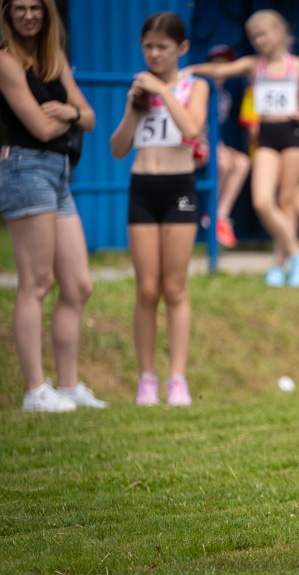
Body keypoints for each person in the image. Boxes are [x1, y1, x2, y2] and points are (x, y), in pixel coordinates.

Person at [0, 0, 105, 411]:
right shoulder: (6, 62)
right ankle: (33, 390)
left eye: (36, 8)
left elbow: (91, 117)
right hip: (25, 170)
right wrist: (71, 115)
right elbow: (40, 127)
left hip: (59, 174)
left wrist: (69, 110)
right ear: (7, 14)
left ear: (48, 13)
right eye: (19, 8)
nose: (28, 15)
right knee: (36, 282)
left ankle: (68, 386)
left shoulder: (53, 58)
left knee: (79, 285)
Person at [109, 11, 209, 406]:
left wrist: (164, 92)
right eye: (148, 46)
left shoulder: (193, 85)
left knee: (174, 286)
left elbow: (192, 129)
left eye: (162, 47)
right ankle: (146, 377)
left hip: (179, 187)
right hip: (142, 187)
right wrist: (136, 105)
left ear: (181, 49)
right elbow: (118, 149)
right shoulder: (139, 89)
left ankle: (177, 378)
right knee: (147, 288)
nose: (154, 54)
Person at [185, 10, 299, 288]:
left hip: (291, 135)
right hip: (266, 138)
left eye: (264, 33)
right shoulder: (252, 65)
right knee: (262, 200)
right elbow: (220, 70)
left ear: (280, 32)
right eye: (254, 36)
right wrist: (190, 70)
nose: (260, 40)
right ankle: (298, 253)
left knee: (286, 202)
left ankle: (278, 266)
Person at [203, 44, 250, 249]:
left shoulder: (225, 97)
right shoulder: (200, 89)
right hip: (190, 146)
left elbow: (213, 127)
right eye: (216, 65)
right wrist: (211, 146)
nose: (220, 70)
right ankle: (209, 212)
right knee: (221, 162)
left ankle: (220, 217)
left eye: (225, 65)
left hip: (211, 144)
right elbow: (194, 126)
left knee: (242, 161)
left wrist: (220, 145)